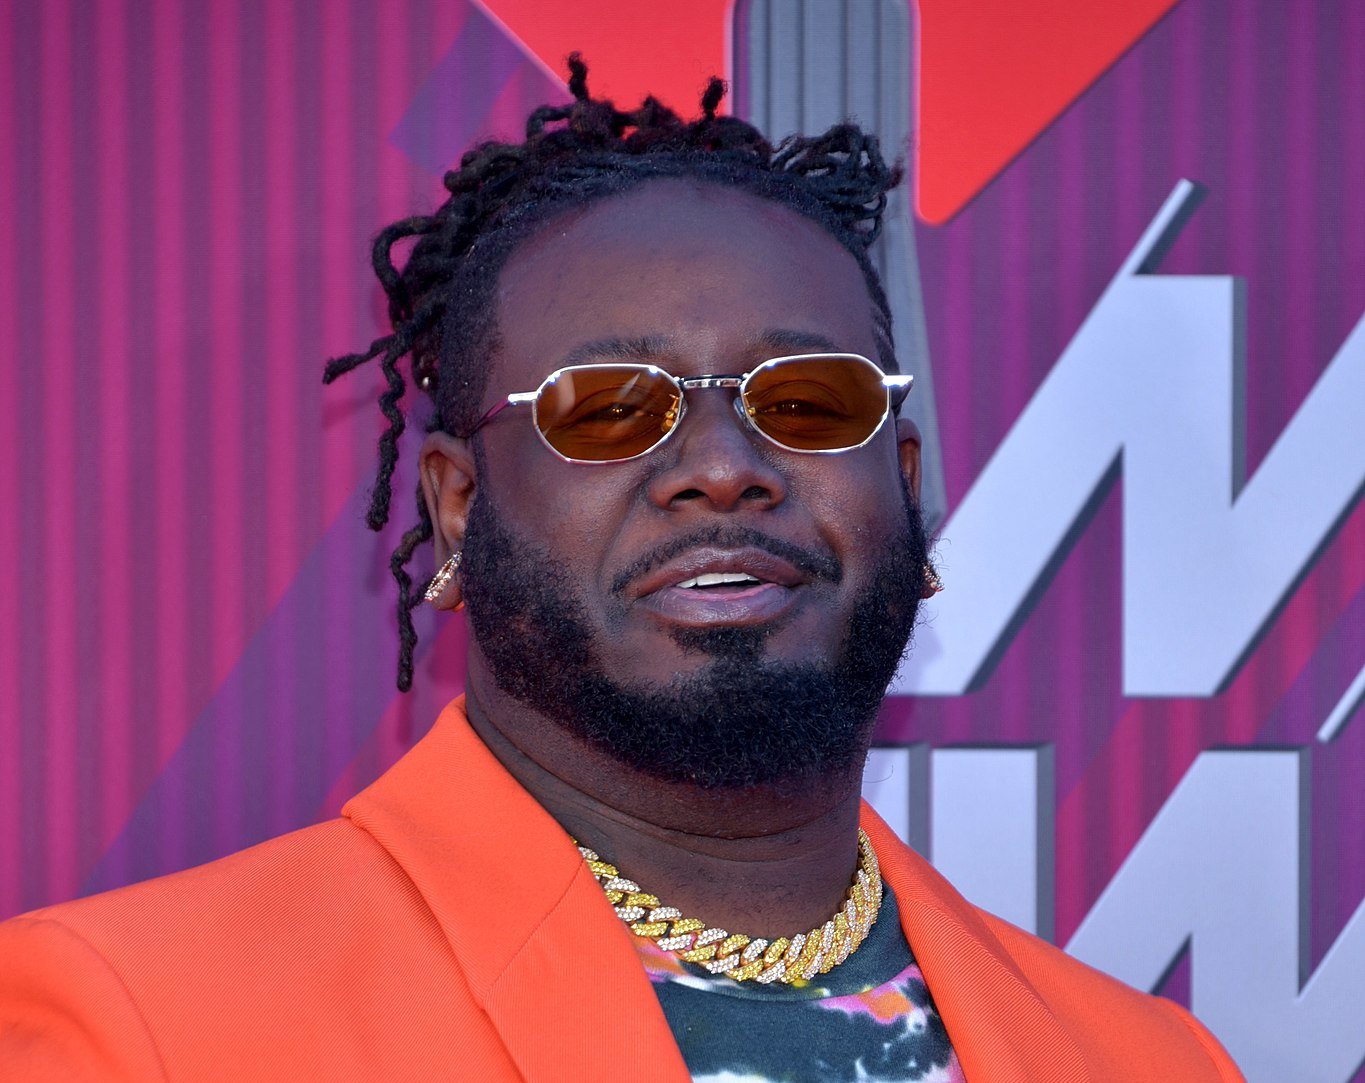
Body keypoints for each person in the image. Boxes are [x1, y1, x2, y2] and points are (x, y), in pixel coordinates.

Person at [0, 59, 1242, 1082]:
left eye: (807, 401)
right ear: (457, 505)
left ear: (903, 485)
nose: (724, 468)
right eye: (608, 408)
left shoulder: (1146, 1060)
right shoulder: (142, 1024)